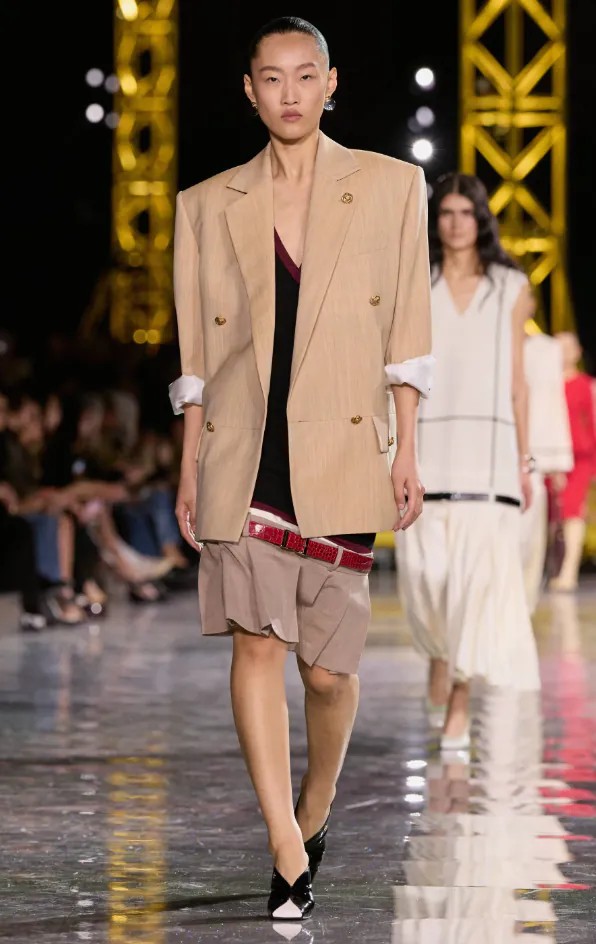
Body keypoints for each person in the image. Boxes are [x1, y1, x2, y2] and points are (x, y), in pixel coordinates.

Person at [169, 16, 432, 921]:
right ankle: (285, 843)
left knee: (325, 672)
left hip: (343, 442)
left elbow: (407, 330)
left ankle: (316, 804)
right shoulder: (206, 204)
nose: (290, 92)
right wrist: (189, 462)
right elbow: (197, 357)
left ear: (331, 83)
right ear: (250, 91)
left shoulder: (392, 186)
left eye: (305, 75)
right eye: (272, 78)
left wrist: (408, 447)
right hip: (244, 448)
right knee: (256, 643)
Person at [395, 172, 541, 752]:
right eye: (447, 213)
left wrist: (524, 459)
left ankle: (460, 692)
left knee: (477, 587)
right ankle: (440, 651)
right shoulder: (416, 281)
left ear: (481, 219)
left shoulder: (511, 285)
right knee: (428, 578)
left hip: (489, 456)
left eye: (465, 213)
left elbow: (518, 380)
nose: (456, 223)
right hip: (429, 451)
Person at [520, 323, 573, 612]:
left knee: (529, 536)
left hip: (535, 456)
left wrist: (558, 461)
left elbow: (553, 402)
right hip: (491, 453)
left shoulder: (545, 350)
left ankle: (523, 606)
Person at [547, 331, 596, 592]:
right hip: (550, 457)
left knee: (573, 511)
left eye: (568, 347)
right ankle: (552, 568)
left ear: (578, 352)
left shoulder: (587, 385)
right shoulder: (547, 386)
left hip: (580, 458)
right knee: (551, 515)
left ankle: (568, 572)